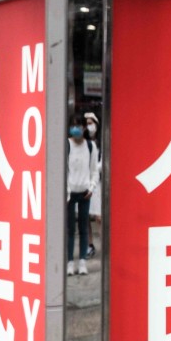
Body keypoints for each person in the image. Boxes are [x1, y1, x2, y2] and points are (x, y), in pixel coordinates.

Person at [66, 114, 98, 275]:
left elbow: (94, 170)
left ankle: (83, 261)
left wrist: (91, 188)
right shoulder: (67, 145)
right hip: (70, 194)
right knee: (70, 229)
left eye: (79, 125)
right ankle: (70, 262)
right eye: (73, 125)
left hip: (85, 192)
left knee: (84, 228)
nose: (76, 129)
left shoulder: (90, 146)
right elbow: (63, 169)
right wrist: (66, 191)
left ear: (84, 128)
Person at [83, 111, 102, 257]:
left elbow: (103, 163)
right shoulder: (82, 143)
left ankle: (105, 243)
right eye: (87, 124)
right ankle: (89, 245)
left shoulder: (102, 142)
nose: (89, 127)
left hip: (98, 183)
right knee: (85, 217)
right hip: (84, 183)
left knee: (99, 217)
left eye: (91, 123)